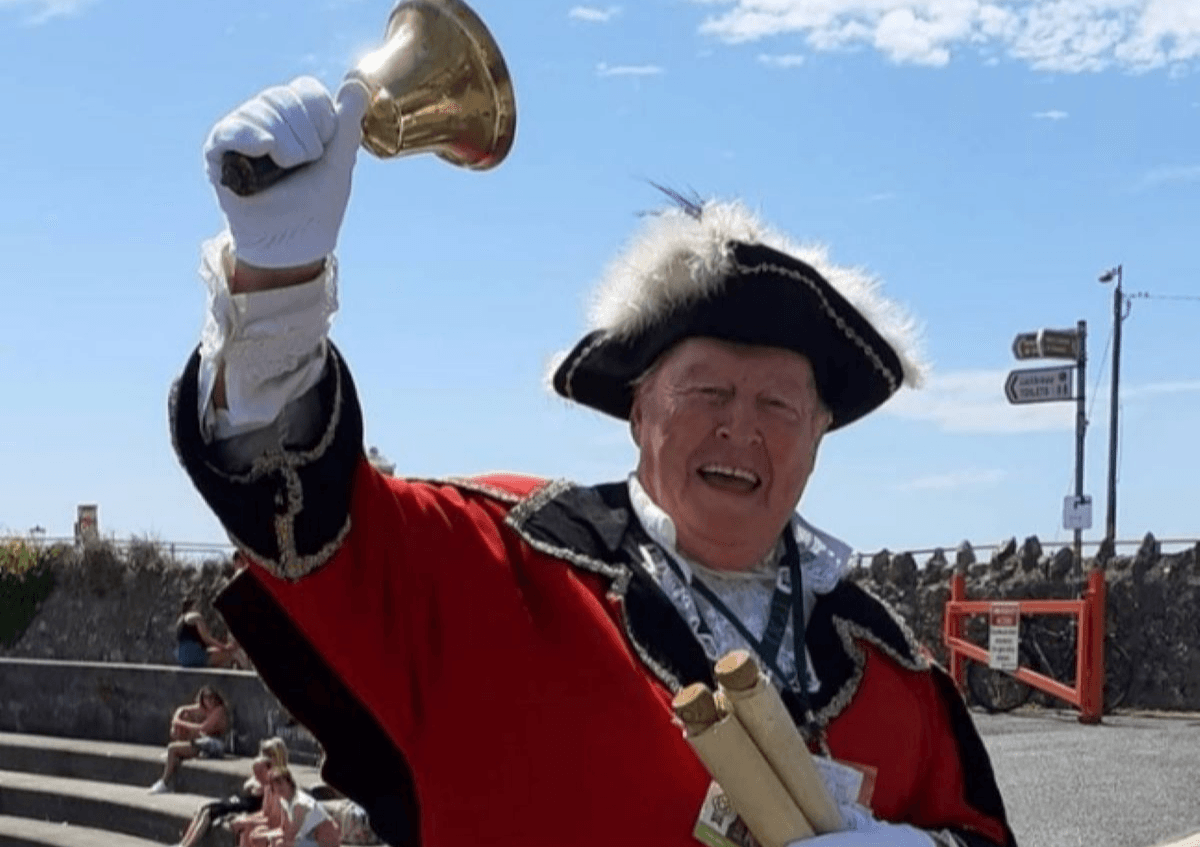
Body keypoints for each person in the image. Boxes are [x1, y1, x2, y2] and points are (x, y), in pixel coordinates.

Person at [169, 76, 1017, 847]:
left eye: (777, 405)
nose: (741, 429)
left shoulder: (891, 671)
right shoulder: (502, 562)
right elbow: (304, 510)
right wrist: (277, 285)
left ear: (820, 430)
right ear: (640, 406)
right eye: (708, 392)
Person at [174, 737, 289, 847]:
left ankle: (186, 845)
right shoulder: (267, 781)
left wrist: (246, 821)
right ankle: (183, 844)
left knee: (216, 814)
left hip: (260, 812)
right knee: (206, 809)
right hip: (247, 803)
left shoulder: (279, 785)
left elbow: (274, 817)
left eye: (267, 756)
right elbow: (251, 790)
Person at [149, 685, 230, 793]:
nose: (209, 701)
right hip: (204, 742)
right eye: (206, 698)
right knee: (186, 715)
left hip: (216, 745)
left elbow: (203, 728)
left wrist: (178, 722)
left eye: (212, 698)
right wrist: (176, 721)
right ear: (202, 699)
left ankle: (164, 783)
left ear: (216, 698)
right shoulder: (203, 708)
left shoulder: (219, 710)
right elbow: (182, 709)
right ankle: (177, 754)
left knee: (172, 748)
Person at [249, 767, 341, 847]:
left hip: (324, 842)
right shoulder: (284, 801)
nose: (278, 787)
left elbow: (290, 835)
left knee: (279, 844)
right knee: (260, 833)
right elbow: (283, 829)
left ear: (289, 782)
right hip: (309, 838)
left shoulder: (299, 803)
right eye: (275, 785)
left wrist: (265, 836)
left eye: (280, 783)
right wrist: (262, 834)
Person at [176, 597, 249, 668]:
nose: (199, 607)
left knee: (218, 652)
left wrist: (220, 648)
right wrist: (224, 647)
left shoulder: (181, 619)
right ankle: (248, 677)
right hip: (195, 657)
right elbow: (206, 638)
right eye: (197, 605)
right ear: (192, 606)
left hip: (183, 658)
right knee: (233, 652)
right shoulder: (196, 616)